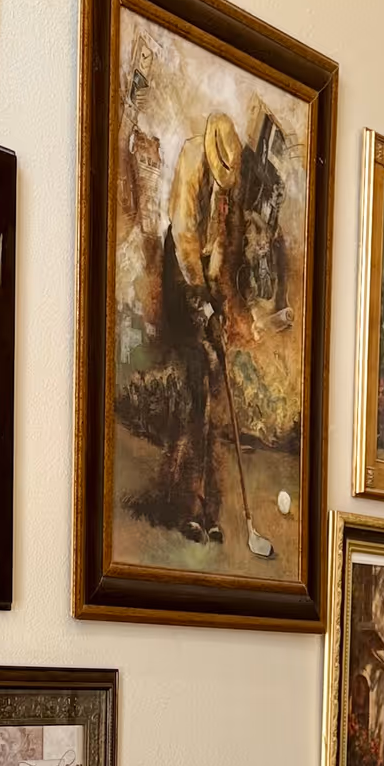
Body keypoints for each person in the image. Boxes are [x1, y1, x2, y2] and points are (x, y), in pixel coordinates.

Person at [152, 110, 243, 543]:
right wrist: (203, 308)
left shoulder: (225, 184)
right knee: (196, 385)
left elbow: (218, 243)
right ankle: (186, 506)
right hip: (180, 271)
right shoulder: (191, 163)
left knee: (214, 387)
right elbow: (186, 242)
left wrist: (219, 305)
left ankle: (209, 507)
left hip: (203, 272)